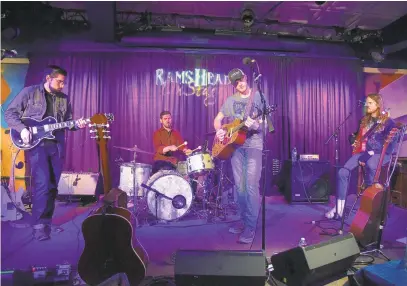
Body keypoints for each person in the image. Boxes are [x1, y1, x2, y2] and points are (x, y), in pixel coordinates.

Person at [5, 65, 87, 241]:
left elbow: (67, 122)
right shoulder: (30, 92)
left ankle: (46, 222)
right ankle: (38, 226)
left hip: (56, 146)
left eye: (64, 83)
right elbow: (10, 114)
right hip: (37, 146)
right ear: (48, 79)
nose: (62, 86)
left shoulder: (64, 99)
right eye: (59, 82)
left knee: (52, 186)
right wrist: (22, 129)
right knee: (42, 184)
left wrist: (77, 124)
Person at [214, 68, 272, 244]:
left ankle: (250, 227)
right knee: (240, 187)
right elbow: (218, 119)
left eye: (241, 79)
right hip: (236, 146)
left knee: (251, 186)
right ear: (233, 85)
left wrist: (256, 125)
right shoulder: (230, 100)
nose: (239, 83)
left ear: (246, 78)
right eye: (235, 82)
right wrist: (219, 131)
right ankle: (243, 219)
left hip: (254, 144)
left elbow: (266, 123)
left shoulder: (258, 97)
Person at [325, 93, 397, 219]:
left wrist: (372, 153)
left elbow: (390, 145)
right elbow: (356, 135)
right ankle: (339, 208)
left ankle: (372, 203)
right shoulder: (364, 120)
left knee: (370, 164)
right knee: (342, 172)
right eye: (367, 103)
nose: (367, 105)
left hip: (382, 154)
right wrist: (352, 139)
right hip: (365, 153)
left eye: (370, 103)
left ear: (377, 105)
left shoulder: (388, 122)